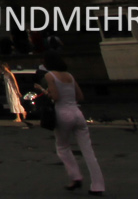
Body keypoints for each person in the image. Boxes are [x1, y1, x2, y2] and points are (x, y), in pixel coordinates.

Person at [42, 52, 104, 195]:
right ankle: (98, 185)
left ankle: (75, 176)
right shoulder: (69, 76)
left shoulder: (50, 76)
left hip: (62, 113)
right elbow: (80, 96)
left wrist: (47, 93)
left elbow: (55, 96)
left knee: (63, 147)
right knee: (88, 151)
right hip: (77, 113)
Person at [0, 63, 26, 127]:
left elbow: (15, 83)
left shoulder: (10, 74)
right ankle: (22, 111)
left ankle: (18, 117)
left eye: (4, 68)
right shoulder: (4, 74)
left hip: (12, 89)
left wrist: (17, 91)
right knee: (11, 101)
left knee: (14, 102)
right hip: (8, 89)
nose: (4, 69)